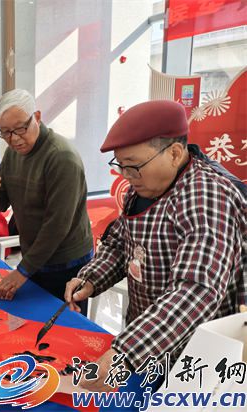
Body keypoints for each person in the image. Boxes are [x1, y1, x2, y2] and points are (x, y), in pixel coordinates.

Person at [64, 100, 246, 392]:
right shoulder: (144, 186)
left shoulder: (207, 196)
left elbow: (196, 290)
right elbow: (121, 243)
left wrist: (126, 354)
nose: (126, 176)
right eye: (121, 165)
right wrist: (91, 278)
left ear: (174, 153)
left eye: (133, 165)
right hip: (149, 336)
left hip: (194, 353)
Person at [0, 89, 93, 310]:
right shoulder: (13, 153)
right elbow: (1, 203)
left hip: (67, 261)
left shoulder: (61, 157)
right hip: (35, 257)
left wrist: (22, 271)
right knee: (32, 318)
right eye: (6, 132)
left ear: (38, 117)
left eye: (20, 128)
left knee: (63, 323)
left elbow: (57, 225)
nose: (14, 139)